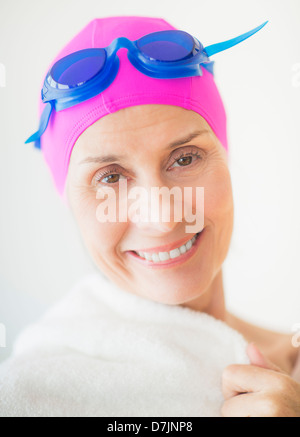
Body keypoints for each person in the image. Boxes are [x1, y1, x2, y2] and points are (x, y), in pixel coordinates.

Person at [1, 15, 299, 417]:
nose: (161, 217)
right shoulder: (34, 395)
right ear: (68, 200)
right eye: (110, 177)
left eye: (185, 158)